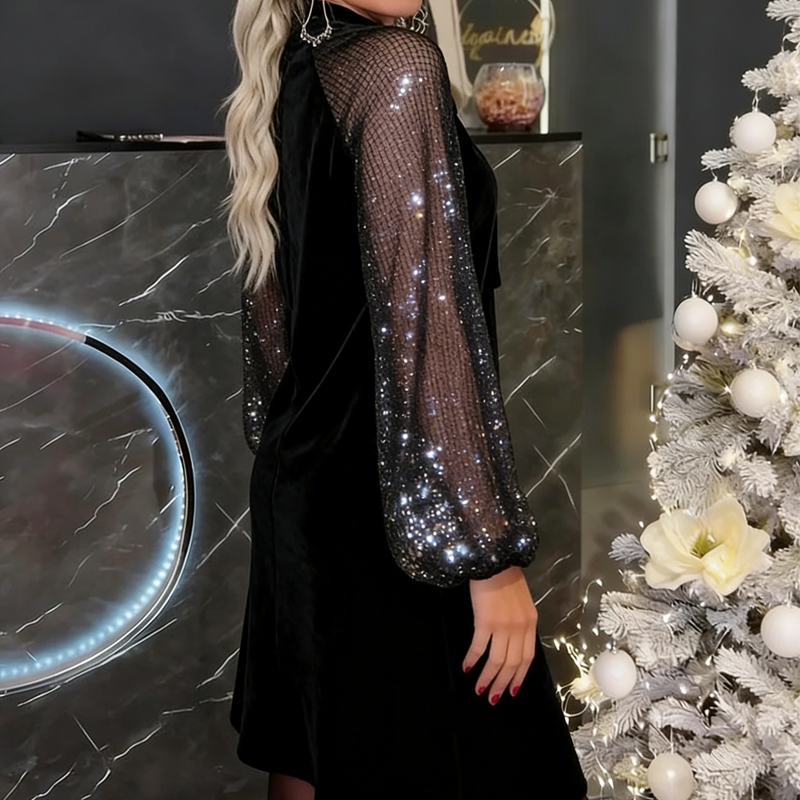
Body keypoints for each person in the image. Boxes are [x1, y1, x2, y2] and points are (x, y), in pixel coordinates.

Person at [221, 0, 589, 798]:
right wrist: (486, 555)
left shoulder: (295, 66)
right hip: (395, 514)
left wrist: (304, 458)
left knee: (312, 761)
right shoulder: (395, 66)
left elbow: (274, 336)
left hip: (306, 493)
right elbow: (428, 327)